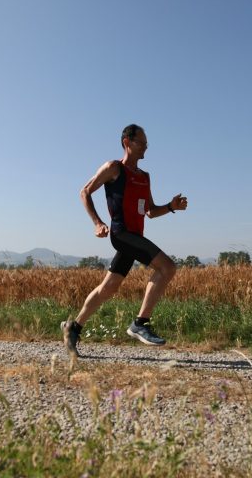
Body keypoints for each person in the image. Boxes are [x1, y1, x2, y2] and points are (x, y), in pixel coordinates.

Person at [62, 124, 188, 357]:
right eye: (142, 143)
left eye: (147, 144)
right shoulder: (114, 168)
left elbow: (149, 211)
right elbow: (85, 192)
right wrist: (97, 223)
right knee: (167, 267)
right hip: (121, 234)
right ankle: (140, 323)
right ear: (127, 143)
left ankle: (73, 327)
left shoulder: (144, 177)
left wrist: (171, 207)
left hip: (135, 237)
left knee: (108, 288)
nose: (146, 148)